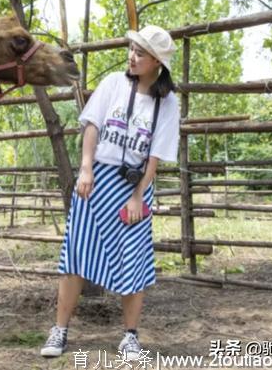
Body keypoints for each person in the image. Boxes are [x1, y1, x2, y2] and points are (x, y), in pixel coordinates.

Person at [41, 25, 180, 360]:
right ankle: (60, 330)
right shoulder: (114, 84)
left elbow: (155, 157)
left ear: (157, 62)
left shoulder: (168, 103)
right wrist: (85, 168)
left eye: (140, 53)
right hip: (97, 180)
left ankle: (130, 337)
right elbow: (92, 126)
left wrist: (137, 197)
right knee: (75, 255)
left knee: (132, 261)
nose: (132, 57)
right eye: (131, 49)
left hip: (134, 188)